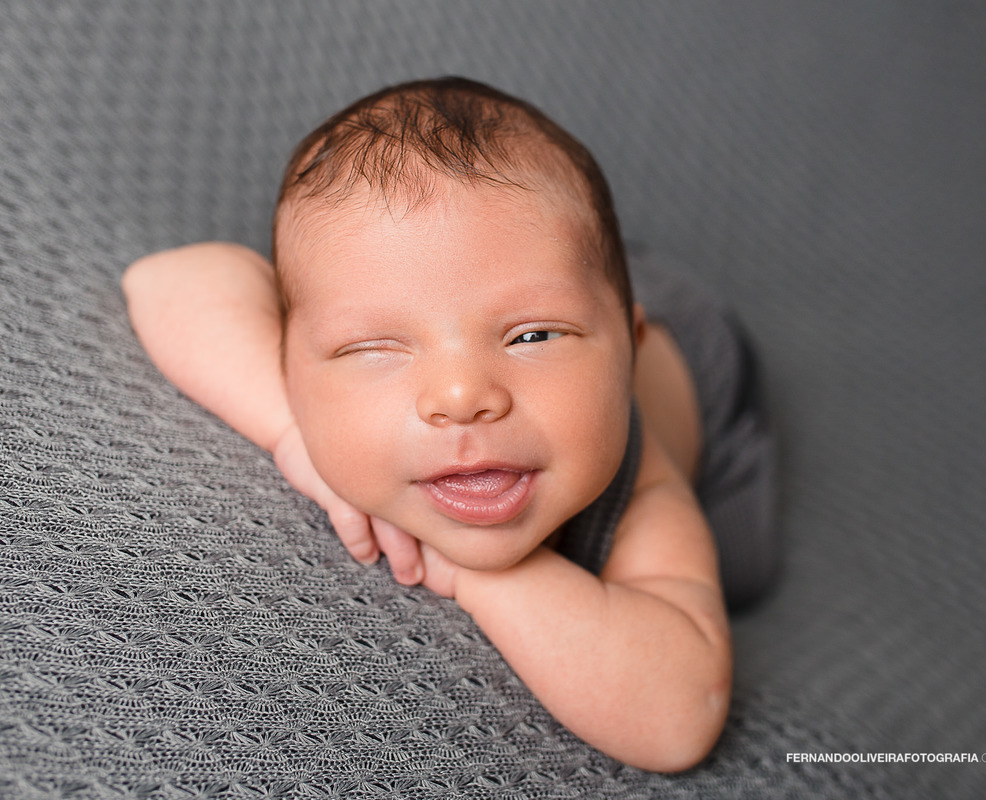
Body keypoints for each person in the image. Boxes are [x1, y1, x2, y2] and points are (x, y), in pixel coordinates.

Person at [122, 77, 778, 772]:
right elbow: (168, 280)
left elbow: (678, 716)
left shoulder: (642, 486)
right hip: (535, 265)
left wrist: (481, 574)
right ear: (288, 357)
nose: (461, 395)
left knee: (744, 572)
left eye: (534, 339)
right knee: (519, 263)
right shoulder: (345, 338)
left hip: (707, 375)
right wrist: (292, 431)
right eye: (374, 347)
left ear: (627, 350)